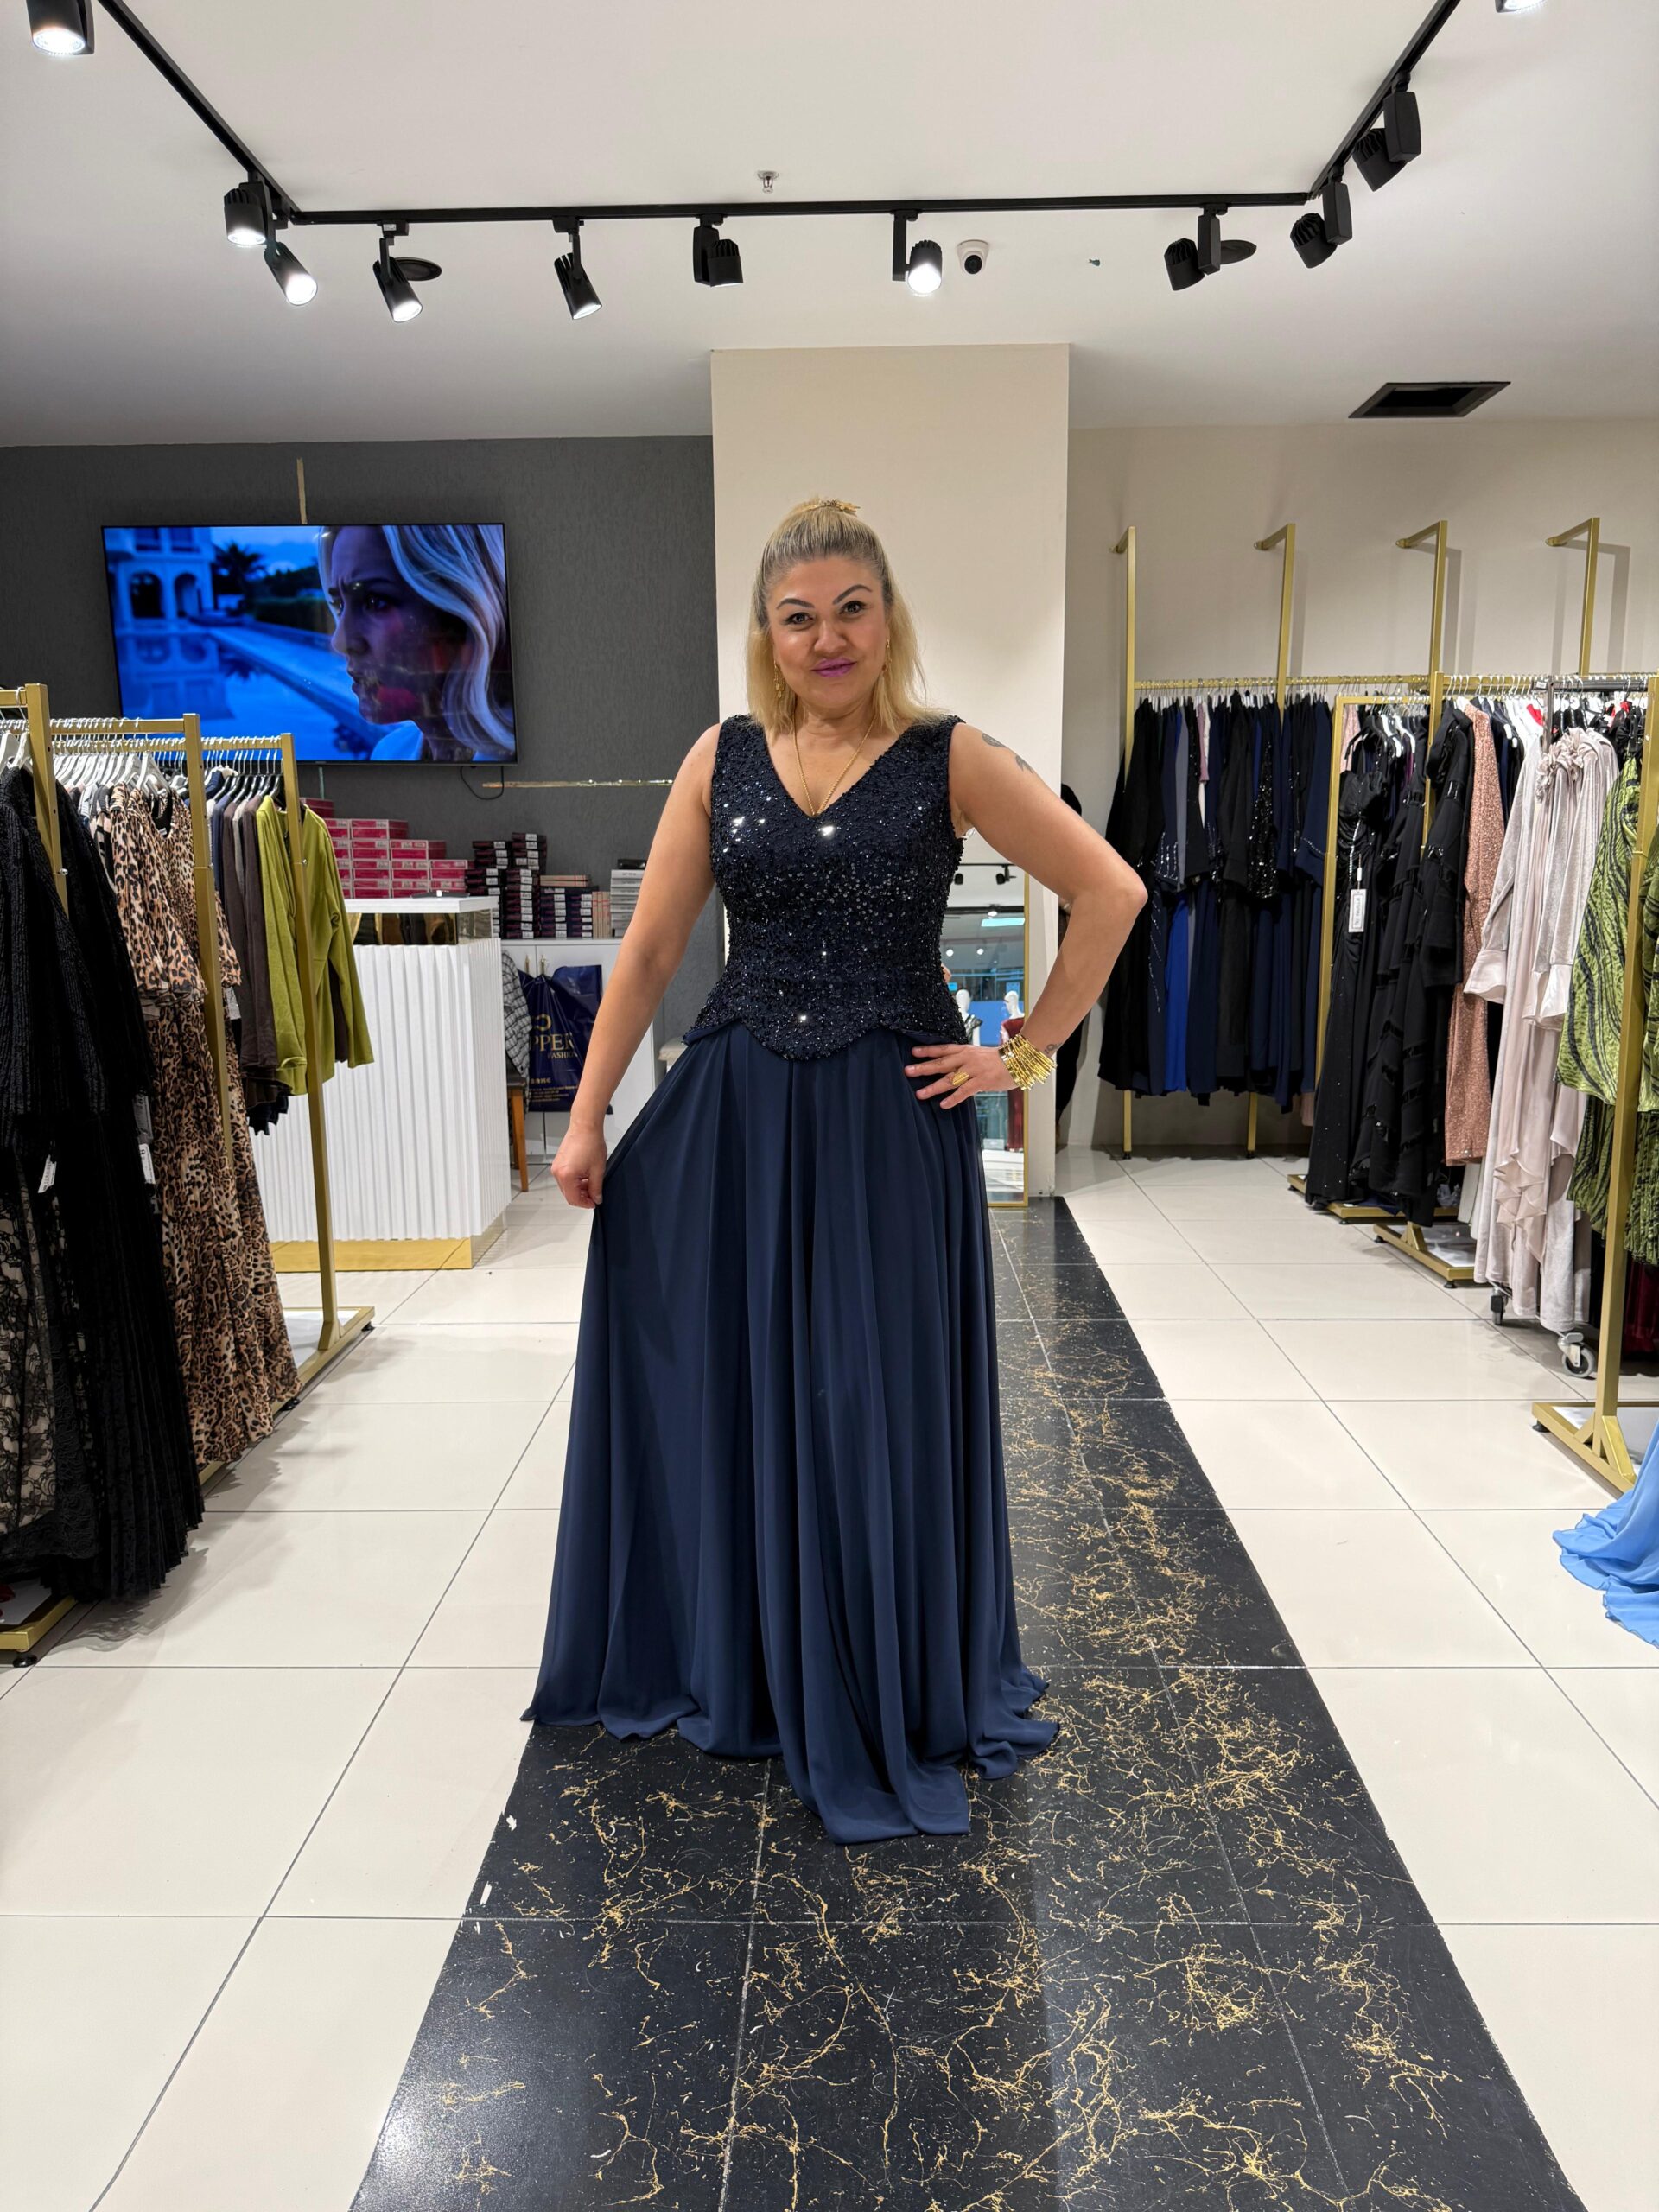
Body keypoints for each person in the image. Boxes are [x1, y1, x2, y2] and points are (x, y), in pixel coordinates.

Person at [524, 495, 1147, 1844]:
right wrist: (584, 1118)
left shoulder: (948, 756)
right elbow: (651, 949)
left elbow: (1112, 892)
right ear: (767, 631)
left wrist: (1023, 1055)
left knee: (874, 1397)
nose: (827, 638)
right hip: (739, 1115)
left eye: (851, 610)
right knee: (743, 1376)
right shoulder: (721, 757)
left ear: (887, 616)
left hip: (889, 1123)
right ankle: (750, 1651)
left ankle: (882, 1666)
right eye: (798, 616)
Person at [318, 523, 515, 763]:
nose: (339, 642)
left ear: (462, 612)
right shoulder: (389, 753)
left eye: (375, 602)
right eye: (340, 605)